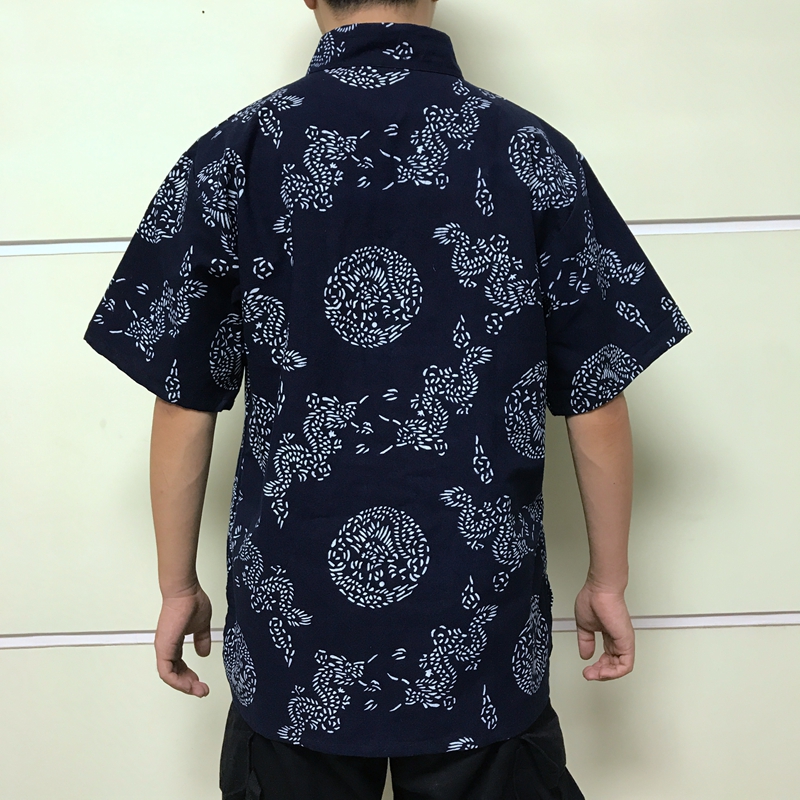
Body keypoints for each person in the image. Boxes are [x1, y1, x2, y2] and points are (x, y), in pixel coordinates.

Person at [83, 0, 692, 797]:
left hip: (294, 641)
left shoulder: (238, 151)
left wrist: (176, 587)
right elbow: (596, 392)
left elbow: (183, 398)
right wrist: (607, 580)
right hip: (479, 629)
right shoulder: (529, 151)